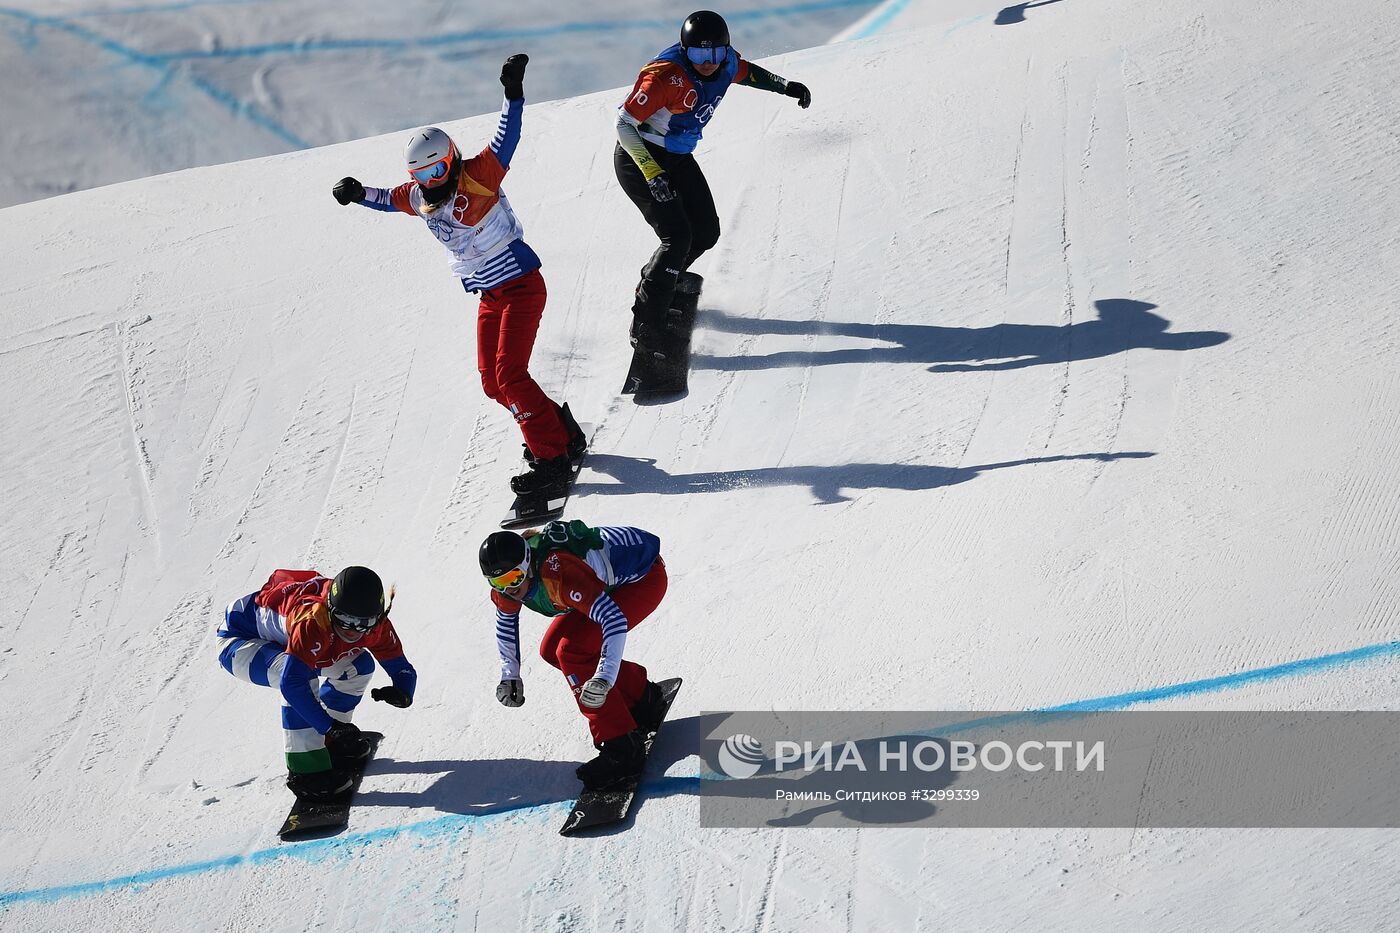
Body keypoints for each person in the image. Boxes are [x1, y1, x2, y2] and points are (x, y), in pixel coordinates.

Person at [332, 53, 585, 499]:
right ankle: (560, 434)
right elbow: (389, 198)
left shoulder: (478, 177)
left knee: (510, 375)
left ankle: (552, 459)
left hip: (521, 284)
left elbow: (507, 139)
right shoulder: (420, 197)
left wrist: (512, 92)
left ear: (451, 159)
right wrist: (356, 194)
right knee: (493, 383)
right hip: (490, 296)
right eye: (421, 174)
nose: (431, 180)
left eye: (436, 169)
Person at [614, 10, 811, 357]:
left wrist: (786, 87)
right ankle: (646, 324)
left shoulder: (728, 63)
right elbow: (624, 125)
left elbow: (748, 73)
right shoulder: (666, 78)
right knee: (677, 237)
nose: (707, 63)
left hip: (676, 156)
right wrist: (651, 172)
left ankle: (657, 279)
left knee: (706, 232)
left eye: (715, 55)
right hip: (639, 158)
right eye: (698, 56)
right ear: (685, 51)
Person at [480, 520, 671, 788]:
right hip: (607, 584)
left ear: (527, 564)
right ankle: (642, 696)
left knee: (571, 652)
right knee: (551, 650)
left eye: (514, 578)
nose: (509, 589)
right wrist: (510, 675)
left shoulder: (559, 574)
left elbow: (613, 620)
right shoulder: (511, 587)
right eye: (498, 582)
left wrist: (604, 677)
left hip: (644, 579)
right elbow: (505, 623)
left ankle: (622, 749)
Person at [215, 566, 417, 800]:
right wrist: (327, 724)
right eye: (345, 620)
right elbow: (292, 684)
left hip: (290, 640)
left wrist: (403, 691)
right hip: (239, 642)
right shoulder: (314, 620)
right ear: (331, 609)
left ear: (378, 617)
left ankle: (331, 744)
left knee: (358, 666)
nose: (353, 630)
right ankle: (306, 772)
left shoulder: (376, 625)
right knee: (299, 680)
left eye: (363, 623)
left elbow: (401, 666)